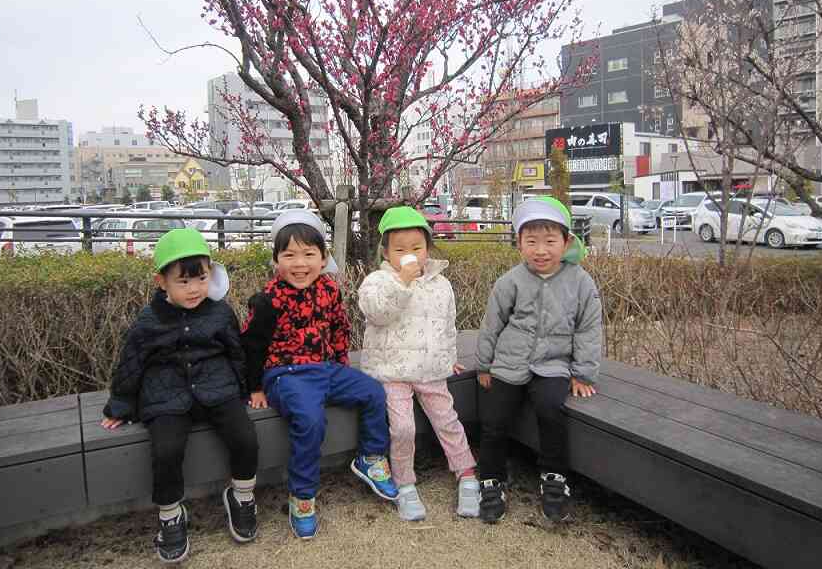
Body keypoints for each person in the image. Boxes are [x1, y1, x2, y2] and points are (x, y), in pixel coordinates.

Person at [101, 228, 259, 563]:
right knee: (167, 449)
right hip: (167, 393)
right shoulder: (149, 321)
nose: (194, 289)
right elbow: (132, 363)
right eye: (183, 282)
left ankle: (242, 496)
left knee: (245, 436)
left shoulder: (219, 311)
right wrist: (121, 404)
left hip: (217, 386)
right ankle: (171, 515)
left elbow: (236, 352)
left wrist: (247, 389)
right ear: (162, 282)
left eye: (200, 279)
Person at [241, 209, 398, 540]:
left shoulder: (328, 288)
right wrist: (254, 387)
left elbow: (339, 328)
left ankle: (370, 457)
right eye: (289, 255)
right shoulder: (268, 299)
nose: (300, 264)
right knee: (311, 421)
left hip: (326, 368)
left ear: (323, 258)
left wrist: (341, 363)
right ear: (276, 260)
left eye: (309, 254)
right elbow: (252, 345)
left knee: (373, 392)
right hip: (286, 374)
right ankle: (302, 496)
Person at [476, 197, 602, 524]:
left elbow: (588, 328)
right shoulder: (511, 281)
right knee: (494, 420)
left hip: (553, 364)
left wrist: (583, 373)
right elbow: (493, 323)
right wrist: (485, 365)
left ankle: (554, 479)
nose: (540, 250)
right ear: (519, 244)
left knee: (551, 410)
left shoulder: (580, 282)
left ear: (566, 242)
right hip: (509, 362)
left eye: (549, 241)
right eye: (531, 242)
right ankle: (491, 480)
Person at [358, 206, 479, 521]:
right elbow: (378, 313)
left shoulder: (441, 283)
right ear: (385, 251)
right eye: (399, 249)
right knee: (403, 427)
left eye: (416, 247)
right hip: (391, 370)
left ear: (428, 248)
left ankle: (466, 472)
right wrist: (402, 282)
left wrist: (449, 357)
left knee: (447, 420)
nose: (409, 254)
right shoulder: (377, 281)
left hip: (430, 368)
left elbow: (447, 324)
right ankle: (405, 482)